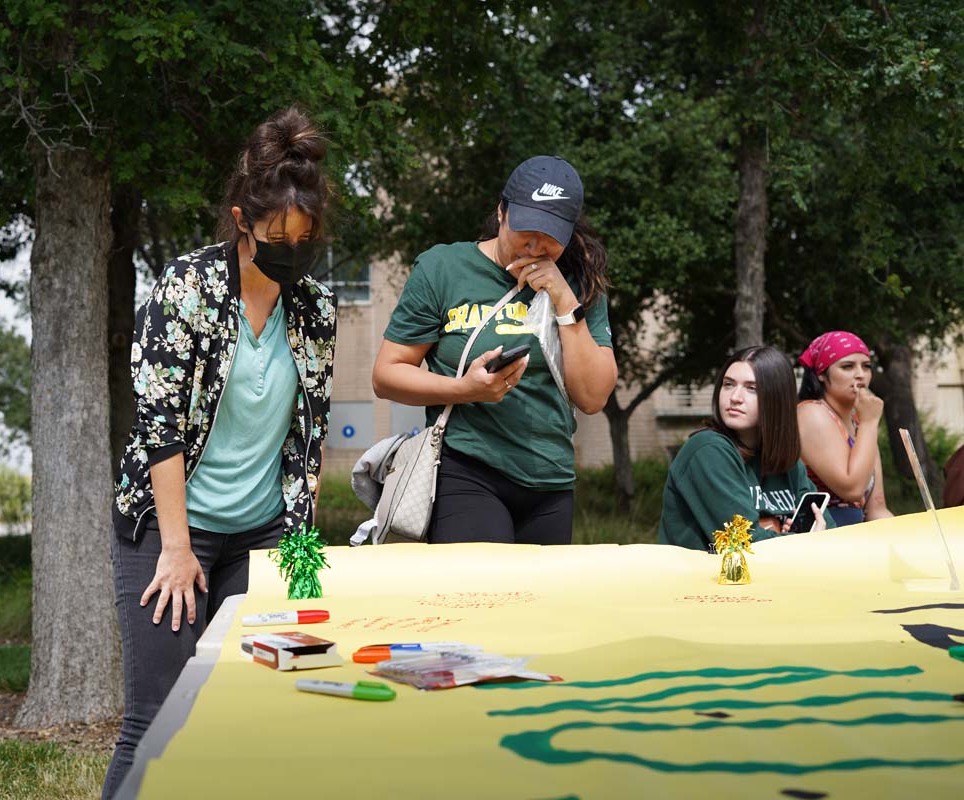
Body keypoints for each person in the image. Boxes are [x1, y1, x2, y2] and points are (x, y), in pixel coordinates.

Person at [102, 108, 336, 799]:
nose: (292, 252)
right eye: (278, 238)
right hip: (174, 529)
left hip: (265, 535)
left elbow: (310, 439)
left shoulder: (317, 308)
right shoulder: (188, 288)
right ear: (242, 219)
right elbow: (159, 424)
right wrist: (177, 548)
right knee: (158, 718)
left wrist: (303, 561)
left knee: (263, 711)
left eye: (305, 239)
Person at [372, 156, 617, 544]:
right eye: (525, 230)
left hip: (550, 478)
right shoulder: (443, 268)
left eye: (551, 235)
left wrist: (566, 303)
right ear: (502, 212)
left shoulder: (578, 283)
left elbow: (592, 397)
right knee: (479, 599)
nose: (536, 245)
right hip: (468, 468)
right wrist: (465, 390)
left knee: (540, 603)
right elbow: (387, 375)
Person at [659, 346, 830, 551]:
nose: (735, 397)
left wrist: (803, 538)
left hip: (774, 579)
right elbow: (745, 542)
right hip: (712, 579)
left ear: (777, 398)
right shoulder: (707, 450)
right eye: (728, 384)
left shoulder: (787, 462)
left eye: (752, 388)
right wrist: (800, 540)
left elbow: (829, 530)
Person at [795, 331, 893, 526]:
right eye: (847, 366)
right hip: (822, 536)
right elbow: (852, 489)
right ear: (821, 374)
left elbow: (877, 507)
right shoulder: (811, 413)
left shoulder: (860, 422)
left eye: (866, 366)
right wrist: (870, 423)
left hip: (857, 535)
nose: (860, 375)